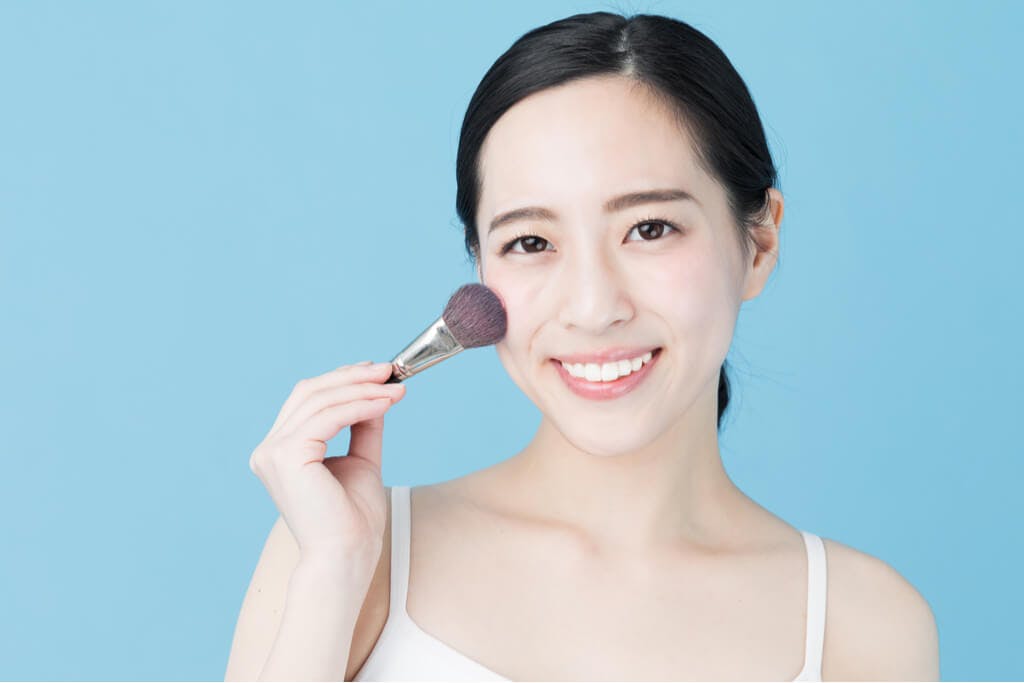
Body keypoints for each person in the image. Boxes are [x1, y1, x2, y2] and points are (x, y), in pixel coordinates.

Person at [225, 11, 940, 681]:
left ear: (759, 242)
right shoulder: (343, 551)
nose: (594, 307)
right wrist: (332, 574)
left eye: (651, 228)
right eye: (531, 242)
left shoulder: (864, 626)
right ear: (481, 270)